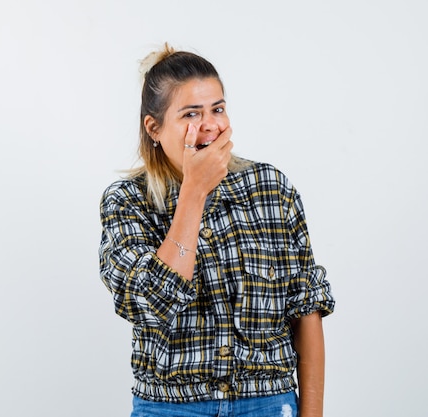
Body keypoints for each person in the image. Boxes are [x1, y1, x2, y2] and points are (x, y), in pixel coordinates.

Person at [98, 43, 335, 417]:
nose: (210, 125)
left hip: (268, 404)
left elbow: (305, 309)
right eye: (191, 113)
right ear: (154, 128)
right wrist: (194, 192)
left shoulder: (271, 188)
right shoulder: (127, 202)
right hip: (170, 408)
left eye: (218, 109)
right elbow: (152, 304)